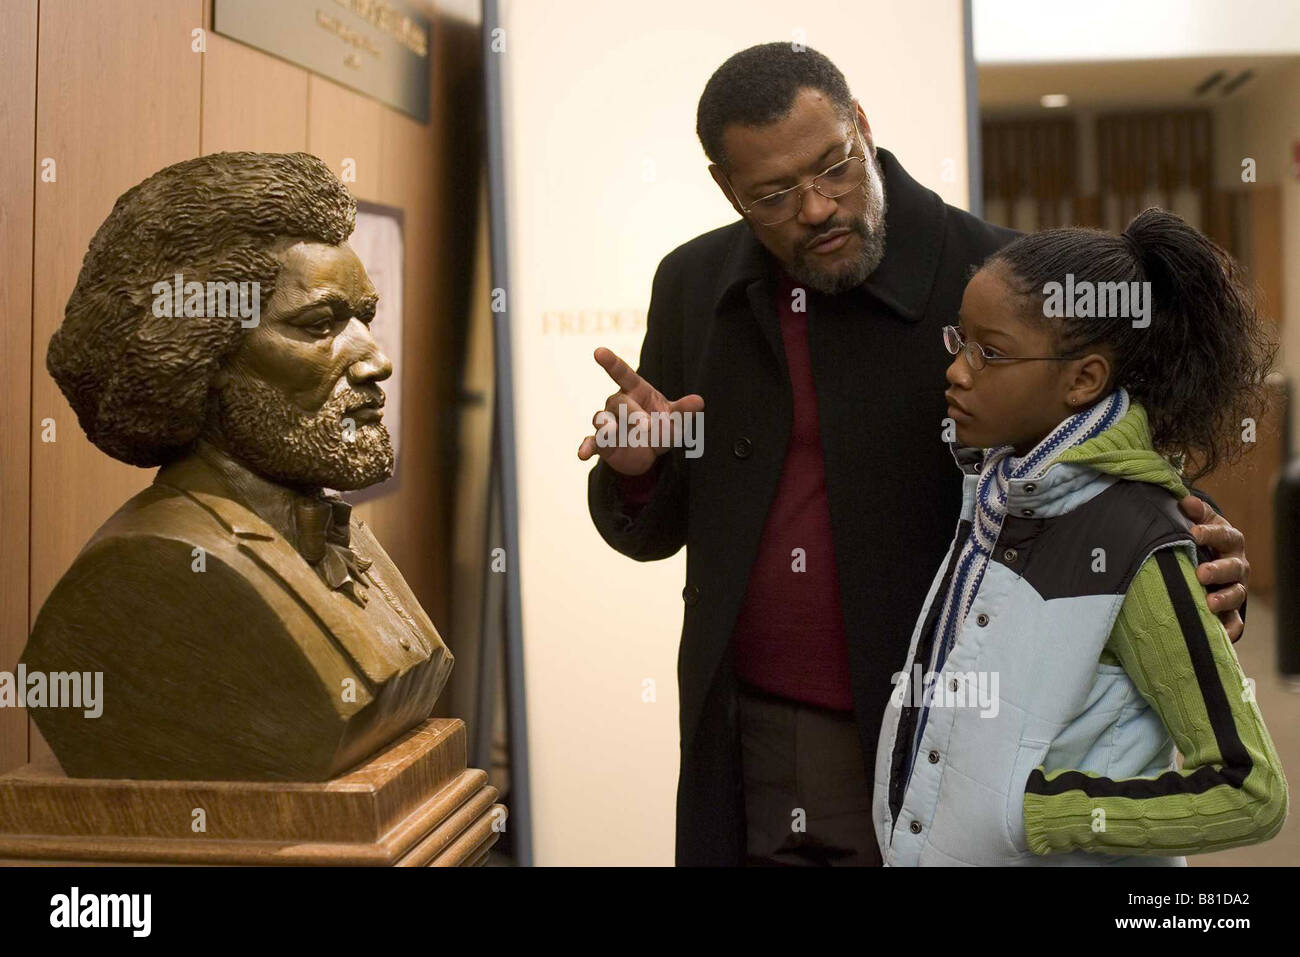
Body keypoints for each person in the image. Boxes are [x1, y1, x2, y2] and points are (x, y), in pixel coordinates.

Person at [579, 43, 1251, 866]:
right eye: (774, 195)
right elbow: (656, 529)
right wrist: (637, 471)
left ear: (862, 126)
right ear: (727, 188)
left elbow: (1115, 458)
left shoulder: (999, 283)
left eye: (834, 168)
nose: (818, 208)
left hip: (945, 732)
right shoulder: (691, 284)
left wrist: (1199, 545)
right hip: (749, 734)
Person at [873, 208, 1286, 865]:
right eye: (961, 343)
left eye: (990, 353)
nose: (955, 371)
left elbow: (1250, 789)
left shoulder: (1136, 541)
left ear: (1084, 380)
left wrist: (1043, 815)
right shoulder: (998, 491)